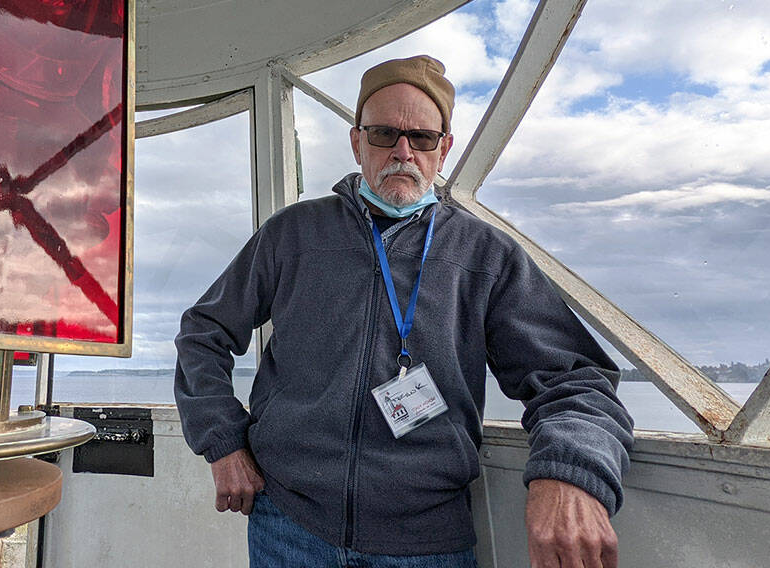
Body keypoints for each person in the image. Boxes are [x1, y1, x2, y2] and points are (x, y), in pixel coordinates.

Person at [174, 55, 633, 568]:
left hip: (427, 542)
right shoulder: (293, 236)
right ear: (356, 142)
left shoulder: (484, 256)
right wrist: (222, 441)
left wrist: (568, 472)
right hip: (288, 524)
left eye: (422, 138)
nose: (402, 151)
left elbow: (575, 379)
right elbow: (204, 331)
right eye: (383, 133)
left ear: (445, 149)